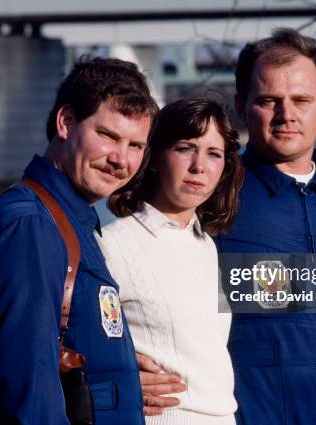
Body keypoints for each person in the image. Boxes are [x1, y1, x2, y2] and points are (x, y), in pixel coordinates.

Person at [143, 28, 316, 425]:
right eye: (269, 101)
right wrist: (121, 361)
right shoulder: (211, 191)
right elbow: (138, 285)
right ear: (242, 105)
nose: (286, 115)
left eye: (301, 100)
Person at [0, 57, 158, 424]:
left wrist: (117, 366)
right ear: (66, 123)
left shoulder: (69, 220)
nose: (121, 159)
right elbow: (32, 386)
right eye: (107, 136)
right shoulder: (31, 225)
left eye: (135, 146)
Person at [98, 97, 243, 425]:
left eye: (213, 154)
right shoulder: (113, 243)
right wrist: (116, 368)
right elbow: (62, 338)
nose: (199, 166)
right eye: (184, 148)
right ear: (154, 158)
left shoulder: (205, 245)